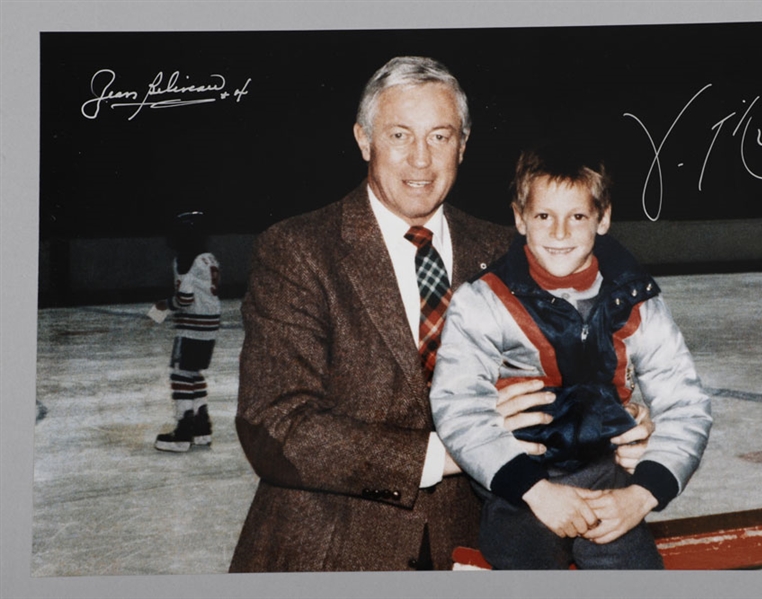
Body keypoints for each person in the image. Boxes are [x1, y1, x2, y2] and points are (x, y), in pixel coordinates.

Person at [229, 56, 653, 572]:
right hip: (332, 551)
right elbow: (276, 425)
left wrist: (617, 415)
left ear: (464, 144)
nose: (421, 161)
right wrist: (450, 451)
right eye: (400, 136)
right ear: (364, 140)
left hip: (480, 546)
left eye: (440, 137)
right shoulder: (299, 250)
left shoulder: (510, 251)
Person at [430, 144, 713, 569]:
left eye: (577, 216)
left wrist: (642, 494)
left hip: (603, 478)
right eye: (544, 216)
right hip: (519, 483)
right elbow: (458, 405)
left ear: (603, 218)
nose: (560, 233)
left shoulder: (635, 299)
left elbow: (685, 403)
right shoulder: (485, 301)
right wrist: (533, 490)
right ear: (520, 218)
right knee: (528, 560)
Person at [152, 211, 221, 453]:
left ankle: (183, 431)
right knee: (194, 373)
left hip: (193, 325)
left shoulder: (184, 258)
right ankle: (202, 426)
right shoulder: (208, 257)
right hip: (210, 322)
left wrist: (163, 306)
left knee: (180, 374)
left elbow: (184, 298)